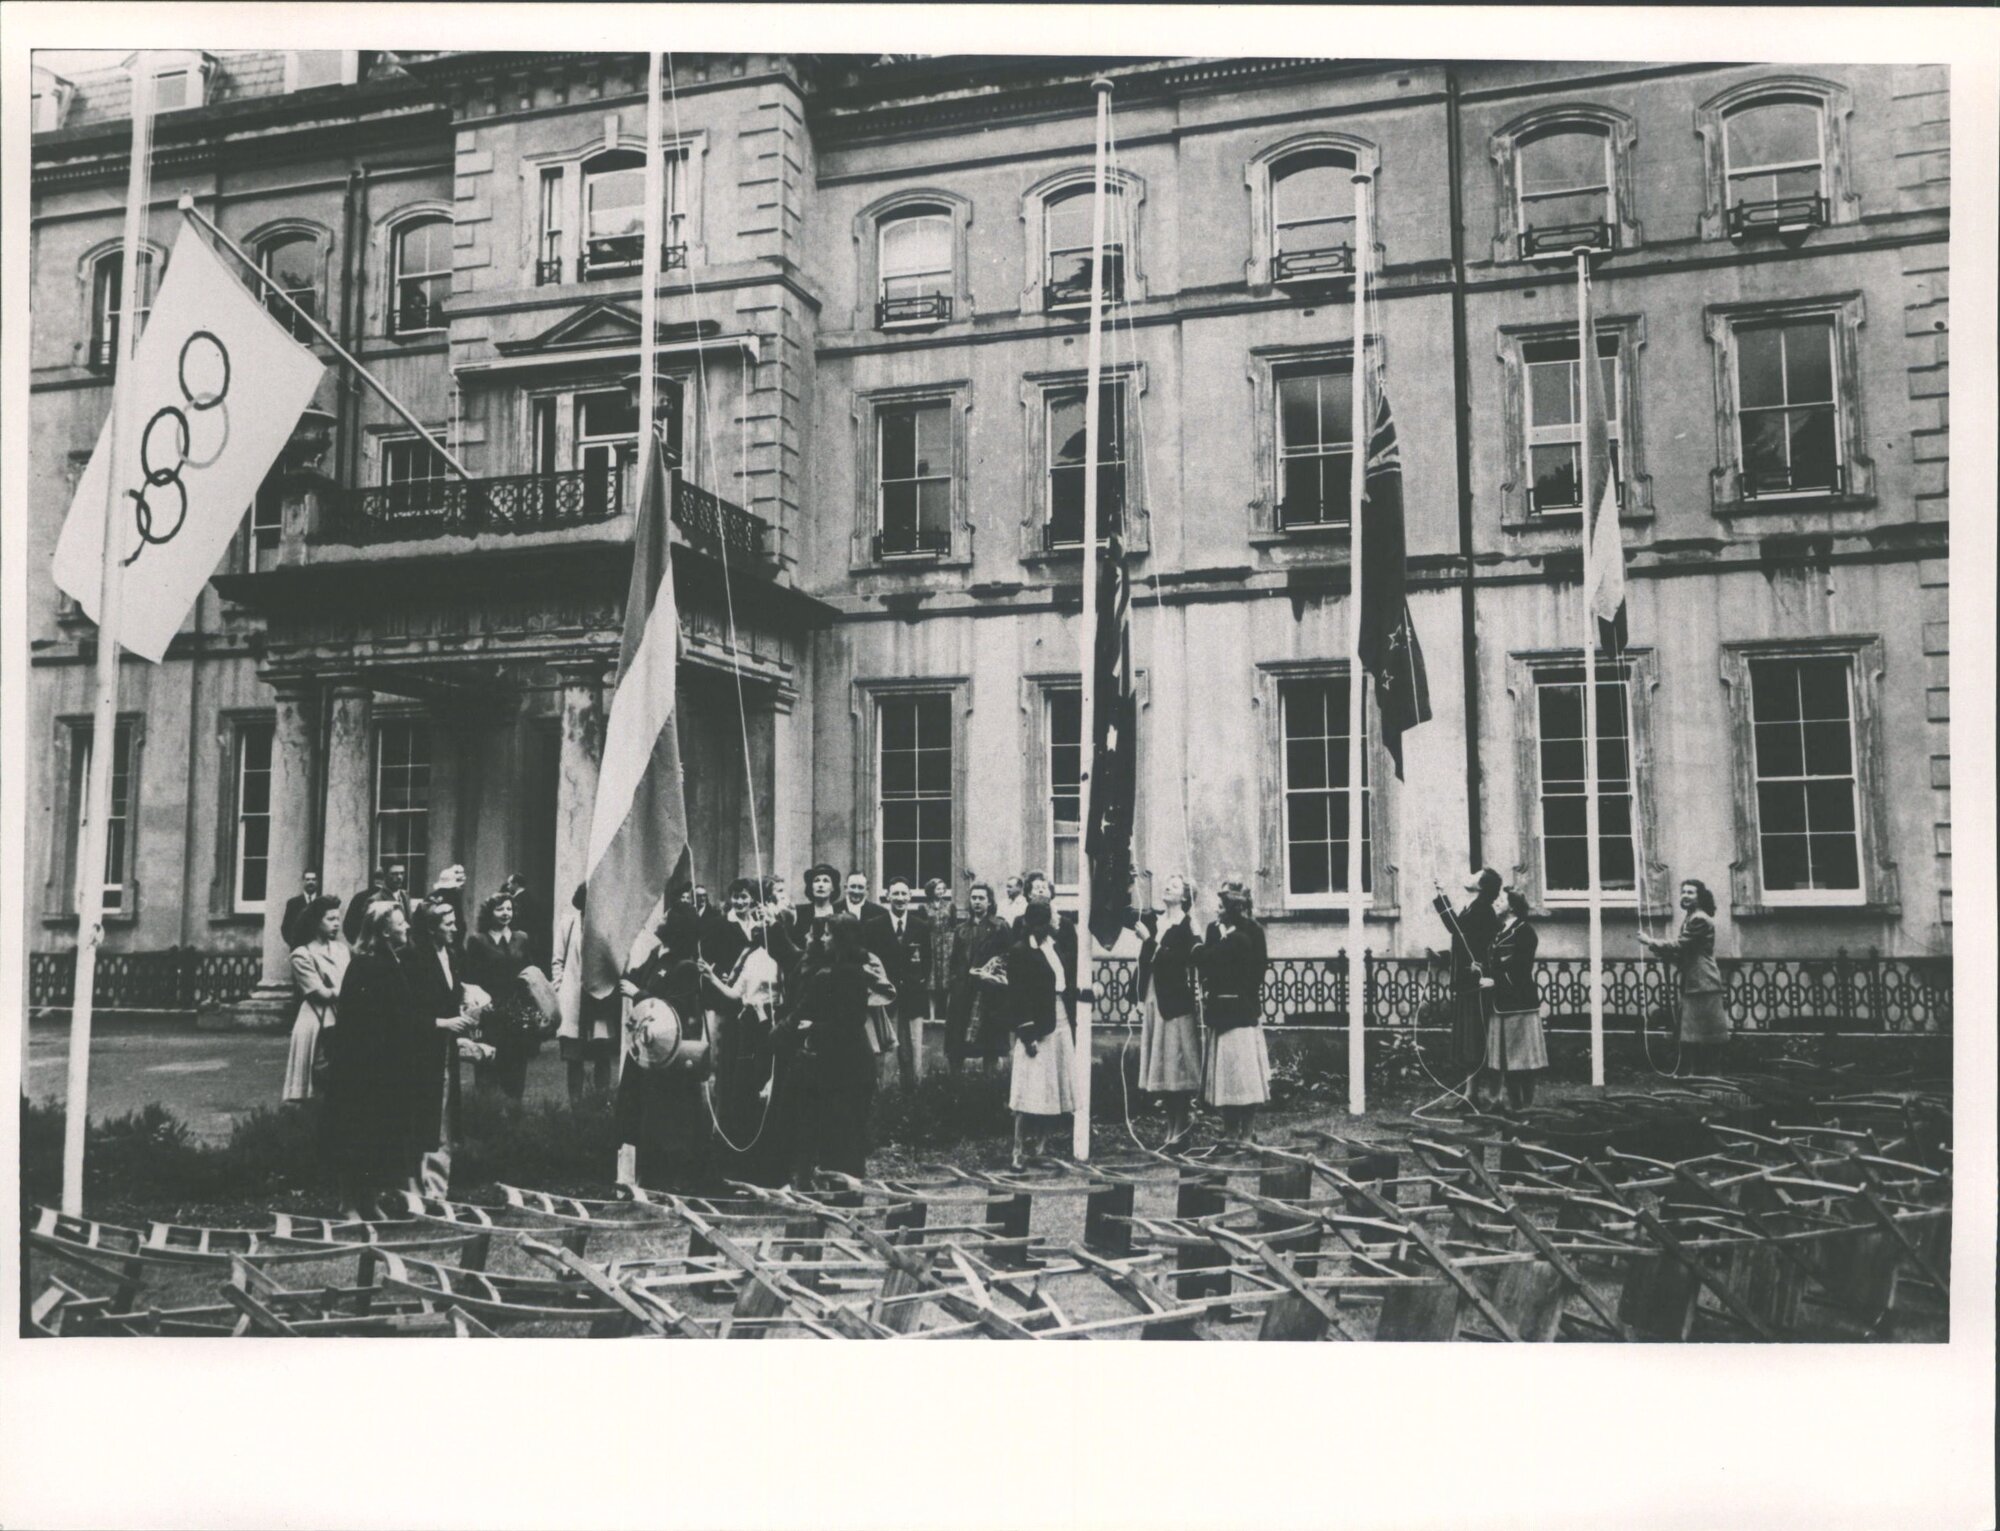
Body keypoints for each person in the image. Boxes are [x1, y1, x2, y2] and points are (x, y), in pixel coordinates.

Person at [327, 902, 473, 1218]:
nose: (406, 927)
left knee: (378, 1136)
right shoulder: (365, 965)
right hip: (362, 1067)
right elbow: (380, 1019)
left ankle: (369, 1200)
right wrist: (438, 1024)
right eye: (399, 923)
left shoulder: (392, 960)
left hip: (385, 1065)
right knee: (358, 1134)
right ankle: (349, 1203)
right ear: (383, 930)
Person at [615, 905, 714, 1191]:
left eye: (667, 917)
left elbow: (674, 1007)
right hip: (646, 1050)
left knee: (669, 1119)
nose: (661, 920)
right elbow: (632, 976)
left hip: (669, 1055)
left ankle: (673, 1179)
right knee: (639, 1112)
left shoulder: (685, 966)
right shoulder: (658, 956)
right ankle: (638, 1177)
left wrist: (639, 994)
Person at [787, 912, 879, 1182]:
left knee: (846, 1137)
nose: (823, 938)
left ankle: (847, 1196)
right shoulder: (842, 970)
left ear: (840, 939)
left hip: (850, 1069)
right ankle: (842, 1192)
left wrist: (813, 1027)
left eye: (827, 934)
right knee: (840, 1136)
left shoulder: (844, 974)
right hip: (843, 1066)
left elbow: (850, 1023)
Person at [1003, 900, 1077, 1168]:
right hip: (1036, 1027)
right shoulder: (1021, 951)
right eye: (1054, 915)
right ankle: (1018, 1151)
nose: (1059, 918)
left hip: (1061, 1021)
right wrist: (1027, 1033)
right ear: (1043, 921)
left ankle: (1041, 1149)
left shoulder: (1054, 947)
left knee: (1051, 1088)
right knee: (1027, 1091)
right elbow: (1018, 995)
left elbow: (1062, 986)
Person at [1194, 878, 1269, 1142]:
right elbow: (1204, 963)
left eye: (1222, 906)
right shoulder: (1213, 930)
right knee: (1226, 1076)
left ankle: (1247, 1133)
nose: (1217, 910)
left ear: (1234, 907)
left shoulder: (1253, 931)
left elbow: (1257, 971)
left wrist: (1238, 993)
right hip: (1219, 1010)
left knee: (1245, 1077)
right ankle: (1229, 1131)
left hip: (1242, 1012)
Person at [1135, 874, 1201, 1146]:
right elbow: (1145, 962)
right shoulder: (1155, 920)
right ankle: (1170, 1127)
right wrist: (1138, 997)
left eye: (1173, 886)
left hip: (1174, 1003)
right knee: (1162, 1065)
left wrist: (1150, 941)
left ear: (1185, 896)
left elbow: (1175, 961)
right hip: (1153, 997)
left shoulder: (1187, 925)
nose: (1166, 887)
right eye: (1168, 883)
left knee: (1177, 1066)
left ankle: (1180, 1128)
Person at [1640, 878, 1730, 1074]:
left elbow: (1681, 945)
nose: (1685, 896)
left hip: (1703, 981)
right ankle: (1697, 1074)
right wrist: (1665, 953)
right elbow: (1685, 950)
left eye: (1690, 892)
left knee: (1705, 1034)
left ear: (1699, 896)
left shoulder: (1699, 919)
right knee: (1693, 1033)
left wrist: (1651, 942)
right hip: (1695, 981)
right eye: (1683, 892)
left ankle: (1710, 1076)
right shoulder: (1691, 917)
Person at [1436, 868, 1503, 1106]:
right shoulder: (1474, 907)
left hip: (1477, 986)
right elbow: (1466, 942)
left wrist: (1441, 895)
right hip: (1468, 984)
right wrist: (1444, 957)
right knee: (1469, 1042)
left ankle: (1491, 1096)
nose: (1471, 874)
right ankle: (1470, 1094)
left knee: (1477, 1041)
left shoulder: (1482, 909)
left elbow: (1456, 928)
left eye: (1476, 873)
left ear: (1482, 886)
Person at [1480, 889, 1548, 1111]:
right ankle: (1514, 1106)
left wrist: (1495, 982)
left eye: (1501, 900)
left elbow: (1521, 969)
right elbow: (1496, 962)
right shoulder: (1501, 932)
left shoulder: (1525, 932)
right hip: (1502, 1005)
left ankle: (1525, 1108)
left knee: (1522, 1060)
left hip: (1519, 1004)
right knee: (1506, 1060)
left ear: (1511, 907)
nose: (1496, 903)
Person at [465, 890, 535, 1099]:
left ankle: (514, 1117)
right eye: (500, 909)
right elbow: (469, 978)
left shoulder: (521, 938)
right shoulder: (478, 941)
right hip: (490, 1013)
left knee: (516, 1069)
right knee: (488, 1068)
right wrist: (476, 1012)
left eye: (509, 909)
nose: (506, 913)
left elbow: (531, 972)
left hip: (516, 1012)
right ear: (489, 912)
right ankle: (487, 1119)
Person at [552, 884, 617, 1100]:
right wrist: (560, 987)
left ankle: (602, 1101)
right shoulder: (568, 923)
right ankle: (576, 1106)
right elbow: (558, 960)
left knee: (602, 1055)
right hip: (574, 999)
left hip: (600, 998)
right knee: (574, 1056)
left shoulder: (607, 926)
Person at [283, 895, 348, 1104]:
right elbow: (319, 993)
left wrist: (340, 990)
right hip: (316, 1020)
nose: (336, 924)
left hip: (341, 1016)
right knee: (316, 1079)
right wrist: (346, 991)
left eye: (338, 919)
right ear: (316, 921)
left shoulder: (342, 950)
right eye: (330, 919)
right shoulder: (302, 954)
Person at [948, 882, 1010, 1074]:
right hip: (964, 991)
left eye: (981, 898)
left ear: (990, 902)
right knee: (957, 1042)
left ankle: (990, 1087)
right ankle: (954, 1087)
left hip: (989, 992)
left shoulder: (1000, 927)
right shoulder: (961, 930)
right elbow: (955, 960)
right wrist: (956, 983)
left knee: (990, 1045)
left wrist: (992, 972)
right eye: (974, 898)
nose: (977, 902)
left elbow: (1008, 956)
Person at [881, 877, 931, 1090]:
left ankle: (914, 1091)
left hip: (913, 995)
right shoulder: (876, 925)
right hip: (886, 995)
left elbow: (927, 962)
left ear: (910, 897)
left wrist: (917, 983)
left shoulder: (920, 926)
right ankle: (887, 1092)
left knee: (913, 1045)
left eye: (904, 894)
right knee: (888, 1045)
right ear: (888, 896)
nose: (900, 898)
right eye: (896, 894)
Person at [280, 871, 323, 953]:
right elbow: (285, 928)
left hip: (319, 951)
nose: (310, 882)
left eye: (313, 879)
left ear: (317, 882)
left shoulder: (322, 902)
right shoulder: (293, 903)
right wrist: (295, 944)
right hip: (299, 950)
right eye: (307, 879)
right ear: (303, 881)